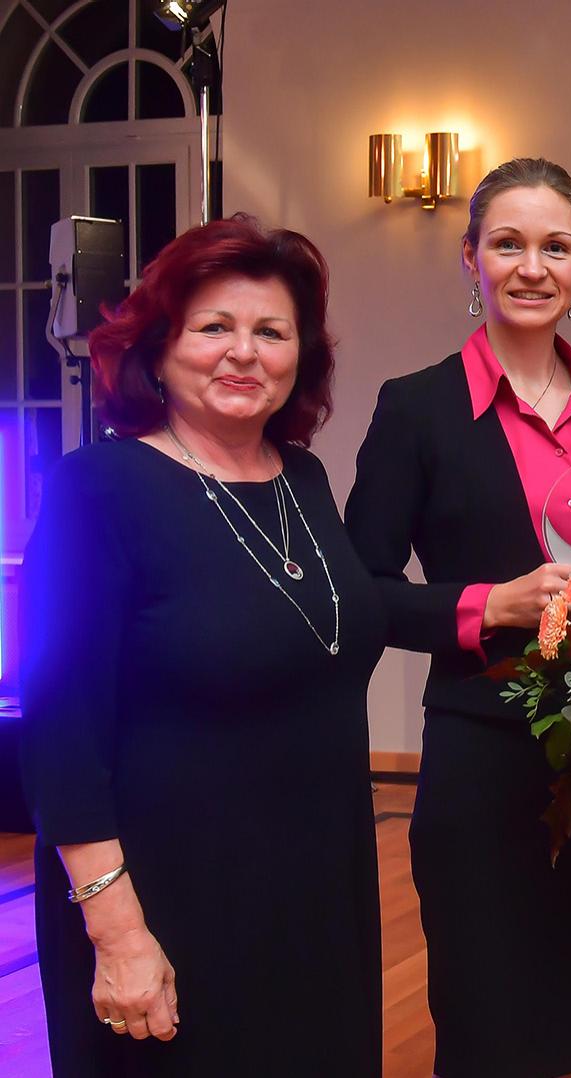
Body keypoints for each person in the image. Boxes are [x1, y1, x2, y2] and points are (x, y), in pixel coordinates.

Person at [22, 216, 383, 1075]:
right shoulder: (98, 488)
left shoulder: (304, 478)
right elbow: (61, 734)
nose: (243, 353)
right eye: (214, 327)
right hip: (170, 900)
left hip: (317, 891)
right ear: (158, 345)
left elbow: (325, 624)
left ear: (303, 355)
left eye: (270, 332)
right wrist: (117, 933)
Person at [344, 158, 571, 1078]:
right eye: (507, 244)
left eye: (555, 246)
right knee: (488, 1021)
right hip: (480, 751)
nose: (531, 266)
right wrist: (491, 604)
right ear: (469, 258)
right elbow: (359, 590)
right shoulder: (417, 408)